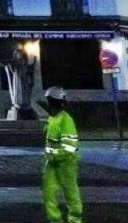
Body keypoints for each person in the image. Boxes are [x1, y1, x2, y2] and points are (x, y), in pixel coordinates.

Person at [42, 86, 82, 223]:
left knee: (71, 194)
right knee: (48, 194)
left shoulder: (66, 120)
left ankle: (75, 221)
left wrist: (54, 155)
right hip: (52, 164)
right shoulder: (52, 118)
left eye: (48, 101)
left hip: (66, 164)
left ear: (53, 102)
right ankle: (55, 220)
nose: (47, 104)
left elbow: (69, 147)